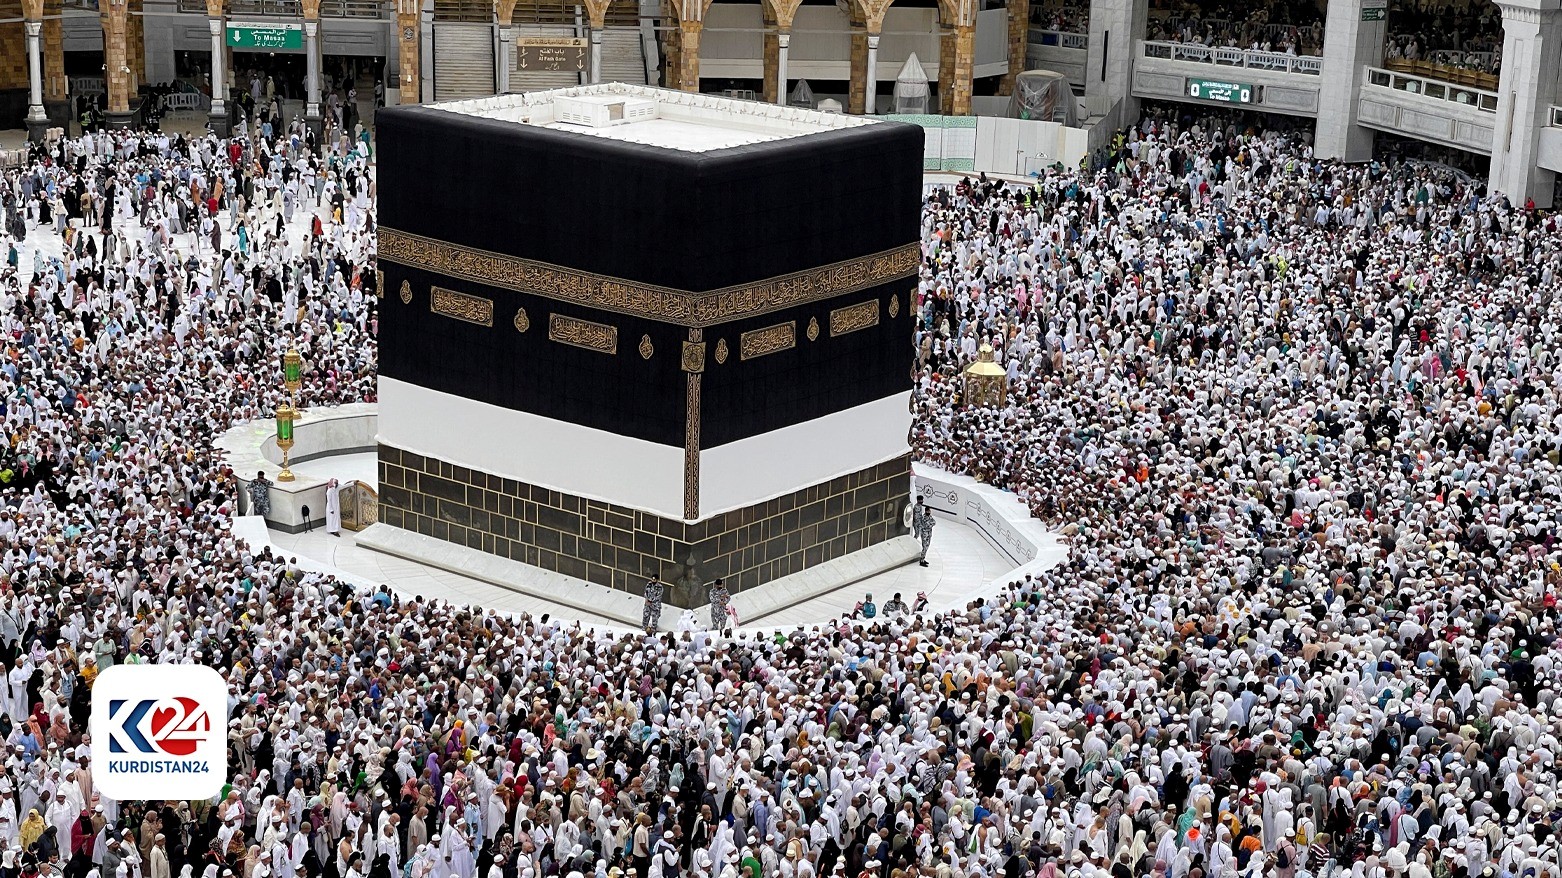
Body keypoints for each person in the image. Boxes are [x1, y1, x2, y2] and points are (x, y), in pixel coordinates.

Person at [911, 496, 934, 567]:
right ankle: (922, 560)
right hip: (922, 529)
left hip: (926, 531)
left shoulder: (926, 514)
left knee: (926, 546)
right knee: (924, 545)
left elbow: (934, 522)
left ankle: (923, 558)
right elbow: (918, 518)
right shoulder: (917, 507)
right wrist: (922, 525)